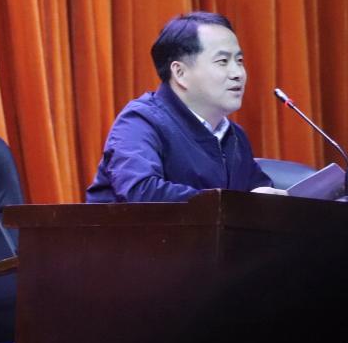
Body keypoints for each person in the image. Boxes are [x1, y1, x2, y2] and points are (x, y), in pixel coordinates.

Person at [86, 11, 276, 202]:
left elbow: (259, 191)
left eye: (239, 61)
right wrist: (236, 205)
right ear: (180, 73)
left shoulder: (234, 135)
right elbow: (141, 191)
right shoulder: (140, 122)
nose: (238, 73)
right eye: (223, 62)